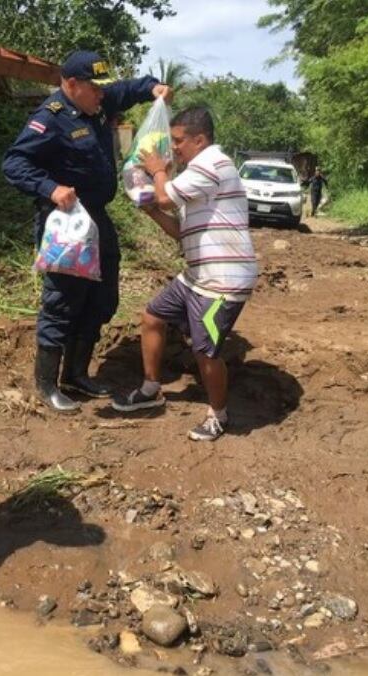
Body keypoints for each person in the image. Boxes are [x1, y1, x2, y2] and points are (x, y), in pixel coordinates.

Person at [2, 50, 172, 412]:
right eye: (95, 89)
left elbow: (128, 89)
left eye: (103, 89)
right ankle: (47, 383)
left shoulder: (99, 100)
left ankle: (76, 374)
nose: (102, 95)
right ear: (72, 84)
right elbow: (14, 162)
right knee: (62, 301)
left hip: (97, 218)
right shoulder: (50, 119)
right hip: (66, 222)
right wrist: (50, 188)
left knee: (102, 297)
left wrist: (154, 88)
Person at [111, 107, 258, 442]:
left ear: (200, 140)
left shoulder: (211, 164)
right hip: (197, 275)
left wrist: (158, 171)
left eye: (178, 141)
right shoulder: (199, 175)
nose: (174, 147)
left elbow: (164, 195)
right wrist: (149, 210)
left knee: (205, 351)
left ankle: (218, 415)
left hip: (221, 280)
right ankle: (151, 388)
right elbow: (181, 232)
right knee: (152, 316)